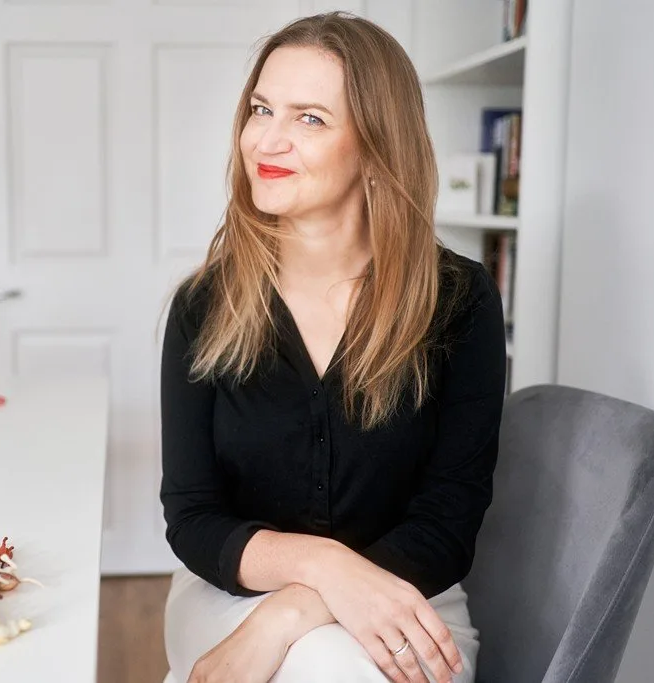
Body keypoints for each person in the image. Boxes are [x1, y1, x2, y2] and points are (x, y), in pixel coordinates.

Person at [159, 11, 507, 683]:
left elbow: (449, 518)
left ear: (376, 147)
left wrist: (294, 611)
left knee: (325, 663)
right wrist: (320, 567)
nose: (268, 139)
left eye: (310, 118)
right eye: (261, 109)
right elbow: (194, 517)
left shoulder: (458, 299)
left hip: (409, 592)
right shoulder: (203, 306)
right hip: (231, 593)